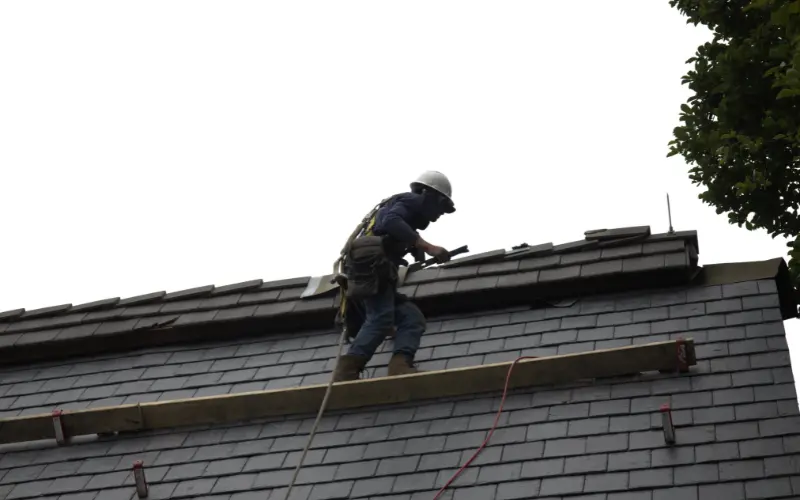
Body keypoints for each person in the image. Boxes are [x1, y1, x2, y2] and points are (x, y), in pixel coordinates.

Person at [332, 171, 456, 382]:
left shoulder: (404, 209)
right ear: (429, 195)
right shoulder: (411, 200)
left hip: (371, 268)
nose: (439, 215)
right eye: (441, 207)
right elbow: (390, 221)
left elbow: (390, 228)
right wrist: (426, 246)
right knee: (381, 317)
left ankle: (400, 366)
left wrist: (412, 248)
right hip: (370, 265)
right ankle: (346, 370)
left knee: (411, 318)